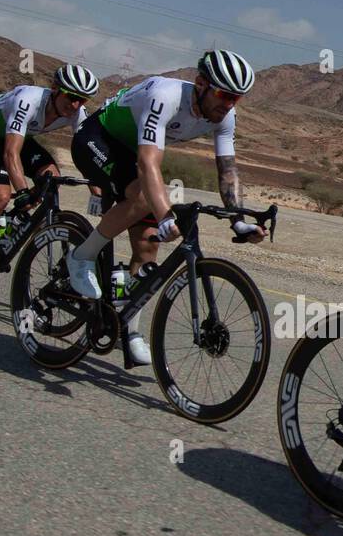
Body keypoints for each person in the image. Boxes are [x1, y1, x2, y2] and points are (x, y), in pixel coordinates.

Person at [66, 49, 264, 366]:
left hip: (131, 154)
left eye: (236, 99)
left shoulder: (225, 116)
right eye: (224, 95)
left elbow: (228, 170)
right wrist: (164, 216)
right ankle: (80, 257)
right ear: (200, 83)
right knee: (147, 201)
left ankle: (128, 330)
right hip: (97, 139)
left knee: (147, 247)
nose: (228, 105)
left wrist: (238, 222)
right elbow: (148, 164)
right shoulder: (165, 95)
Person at [0, 63, 99, 291]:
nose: (75, 105)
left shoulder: (77, 113)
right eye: (71, 96)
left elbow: (85, 153)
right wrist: (23, 192)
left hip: (18, 140)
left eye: (82, 100)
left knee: (52, 178)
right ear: (55, 88)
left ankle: (13, 221)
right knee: (0, 194)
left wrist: (97, 191)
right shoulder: (28, 100)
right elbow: (10, 152)